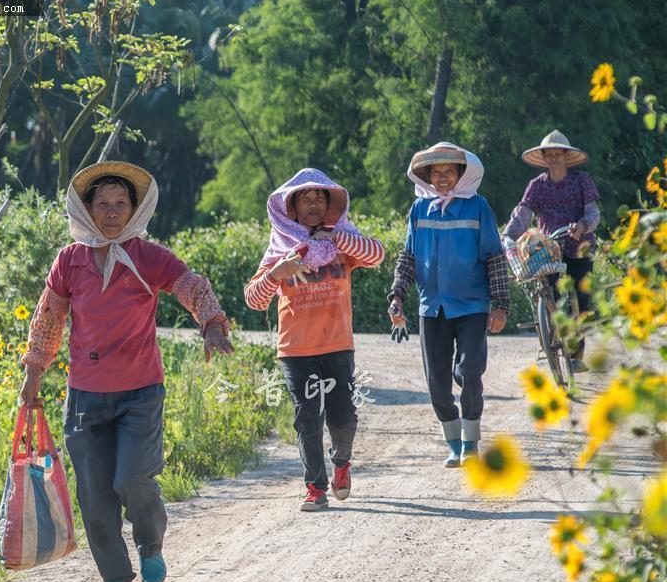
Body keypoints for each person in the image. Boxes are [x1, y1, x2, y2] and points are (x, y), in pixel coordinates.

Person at [19, 161, 234, 582]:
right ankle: (115, 576)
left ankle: (150, 544)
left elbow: (190, 285)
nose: (112, 212)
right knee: (95, 495)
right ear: (88, 210)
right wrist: (33, 376)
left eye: (121, 204)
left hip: (140, 393)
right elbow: (47, 321)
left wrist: (212, 323)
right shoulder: (70, 260)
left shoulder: (146, 255)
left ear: (134, 211)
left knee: (133, 479)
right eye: (103, 204)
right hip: (85, 397)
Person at [244, 168, 385, 511]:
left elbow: (377, 254)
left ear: (329, 204)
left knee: (344, 418)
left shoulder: (343, 242)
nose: (311, 203)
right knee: (307, 418)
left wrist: (336, 237)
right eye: (304, 198)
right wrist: (278, 272)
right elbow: (254, 298)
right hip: (295, 349)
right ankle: (315, 488)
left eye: (319, 197)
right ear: (291, 207)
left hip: (338, 344)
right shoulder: (280, 249)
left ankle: (341, 464)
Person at [387, 142, 510, 468]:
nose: (442, 178)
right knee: (437, 383)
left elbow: (495, 259)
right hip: (432, 307)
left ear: (461, 174)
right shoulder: (418, 210)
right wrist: (397, 295)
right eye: (436, 173)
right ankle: (454, 445)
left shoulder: (478, 208)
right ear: (427, 177)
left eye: (449, 172)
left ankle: (471, 443)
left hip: (472, 306)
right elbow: (408, 258)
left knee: (469, 372)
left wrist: (500, 304)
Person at [503, 130, 600, 372]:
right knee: (553, 297)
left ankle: (577, 354)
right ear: (544, 158)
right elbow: (523, 214)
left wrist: (583, 225)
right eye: (550, 154)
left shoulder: (582, 180)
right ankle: (550, 337)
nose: (555, 158)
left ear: (566, 156)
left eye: (559, 154)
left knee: (582, 297)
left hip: (580, 245)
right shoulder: (536, 186)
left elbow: (592, 212)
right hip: (549, 248)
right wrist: (509, 236)